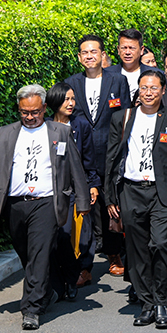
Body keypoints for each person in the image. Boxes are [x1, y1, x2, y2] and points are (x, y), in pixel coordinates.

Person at [0, 85, 90, 330]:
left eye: (34, 112)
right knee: (27, 254)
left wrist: (83, 202)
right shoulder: (5, 133)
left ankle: (31, 308)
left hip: (46, 203)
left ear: (44, 108)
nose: (30, 117)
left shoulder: (60, 132)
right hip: (15, 204)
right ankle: (47, 292)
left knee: (39, 254)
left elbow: (75, 167)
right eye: (24, 112)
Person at [104, 70, 167, 328]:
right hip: (131, 192)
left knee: (162, 245)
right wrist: (110, 197)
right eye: (144, 88)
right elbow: (111, 160)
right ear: (138, 90)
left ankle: (162, 302)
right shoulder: (122, 118)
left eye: (154, 88)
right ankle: (146, 303)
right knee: (137, 250)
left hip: (162, 193)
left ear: (163, 90)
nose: (148, 93)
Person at [64, 35, 131, 277]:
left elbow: (125, 116)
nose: (90, 56)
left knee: (110, 205)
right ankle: (84, 266)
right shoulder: (71, 83)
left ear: (102, 55)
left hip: (111, 153)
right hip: (82, 155)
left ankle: (114, 254)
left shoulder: (118, 81)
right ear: (80, 57)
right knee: (85, 209)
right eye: (85, 52)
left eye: (94, 51)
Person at [45, 83, 100, 299]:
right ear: (54, 102)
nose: (70, 103)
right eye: (66, 99)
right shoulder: (46, 125)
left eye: (72, 99)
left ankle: (74, 275)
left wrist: (92, 184)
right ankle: (61, 278)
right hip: (50, 190)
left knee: (70, 235)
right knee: (54, 237)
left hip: (74, 190)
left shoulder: (81, 125)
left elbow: (89, 158)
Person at [105, 28, 153, 100]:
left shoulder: (154, 74)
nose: (127, 52)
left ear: (141, 50)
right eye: (124, 48)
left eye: (132, 48)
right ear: (118, 49)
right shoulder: (106, 74)